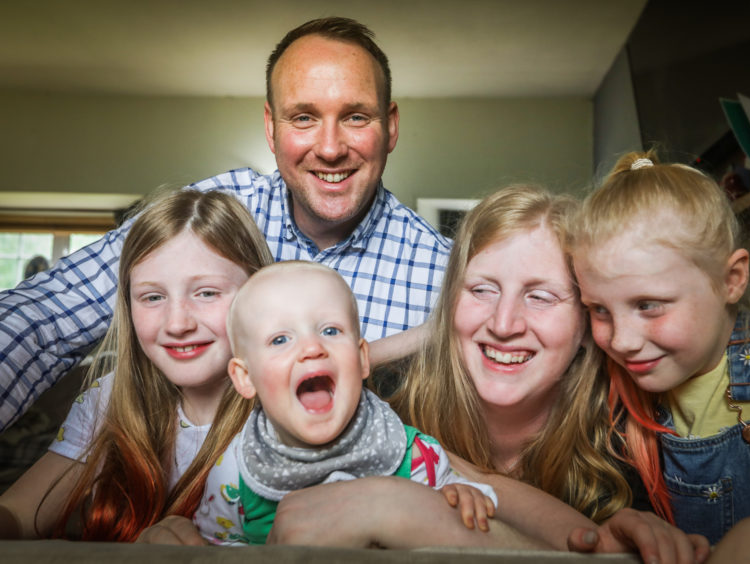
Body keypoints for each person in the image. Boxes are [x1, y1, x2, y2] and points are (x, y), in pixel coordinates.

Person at [0, 16, 451, 432]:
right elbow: (46, 317)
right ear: (271, 128)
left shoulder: (446, 277)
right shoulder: (213, 213)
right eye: (303, 118)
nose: (330, 148)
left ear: (390, 127)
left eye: (355, 117)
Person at [271, 184, 710, 564]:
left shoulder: (627, 436)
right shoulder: (385, 405)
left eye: (540, 297)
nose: (503, 324)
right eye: (481, 290)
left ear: (588, 320)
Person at [570, 150, 750, 557]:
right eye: (599, 309)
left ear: (730, 280)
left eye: (648, 304)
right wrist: (625, 524)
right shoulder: (617, 392)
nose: (622, 341)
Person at [0, 189, 274, 540]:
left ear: (259, 292)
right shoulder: (110, 399)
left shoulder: (288, 415)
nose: (177, 324)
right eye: (153, 297)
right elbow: (19, 514)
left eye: (206, 292)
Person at [195, 261, 496, 545]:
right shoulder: (235, 470)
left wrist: (462, 498)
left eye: (330, 331)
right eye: (280, 340)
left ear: (363, 358)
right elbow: (212, 547)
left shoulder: (413, 456)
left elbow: (466, 510)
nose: (312, 348)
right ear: (245, 377)